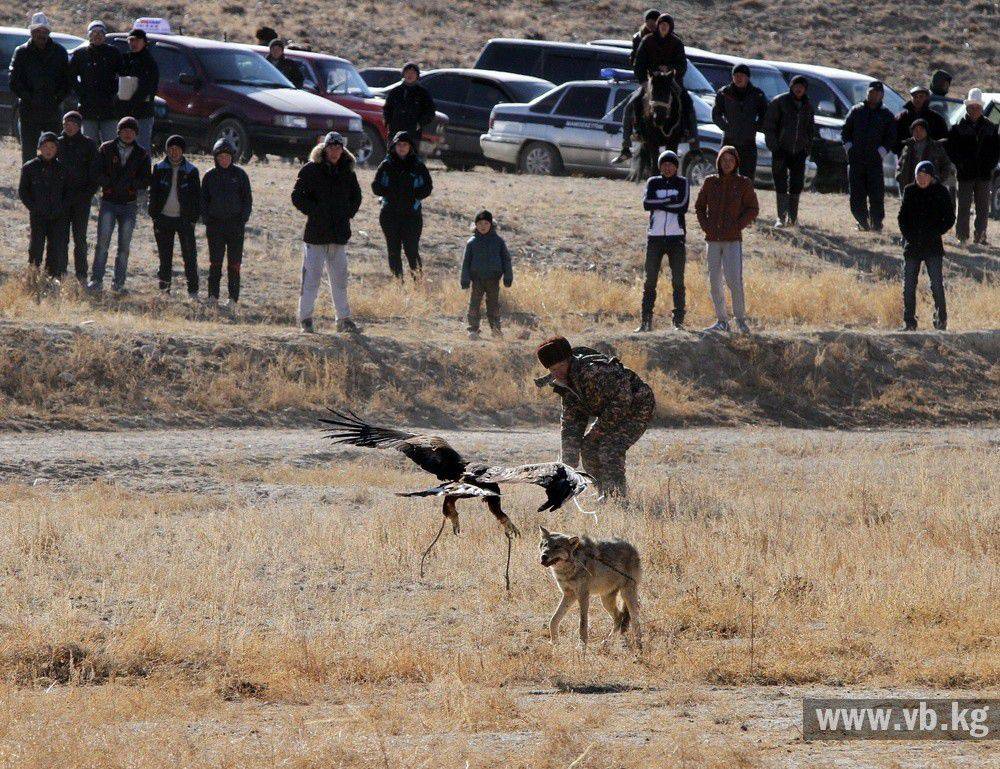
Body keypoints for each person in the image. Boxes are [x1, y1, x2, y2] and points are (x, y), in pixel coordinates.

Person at [535, 337, 656, 500]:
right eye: (552, 370)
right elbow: (572, 423)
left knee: (610, 447)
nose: (558, 373)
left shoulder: (594, 371)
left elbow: (622, 401)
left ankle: (616, 497)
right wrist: (568, 463)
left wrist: (597, 432)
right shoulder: (564, 383)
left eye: (561, 366)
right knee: (589, 448)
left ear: (570, 360)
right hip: (612, 411)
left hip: (637, 406)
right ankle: (604, 492)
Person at [291, 132, 363, 334]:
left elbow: (356, 197)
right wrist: (314, 211)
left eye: (338, 148)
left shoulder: (348, 172)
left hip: (339, 235)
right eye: (331, 148)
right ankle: (305, 319)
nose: (334, 152)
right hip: (316, 234)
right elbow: (297, 196)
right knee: (311, 279)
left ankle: (344, 319)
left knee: (340, 280)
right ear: (324, 149)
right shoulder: (311, 170)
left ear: (343, 150)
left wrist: (346, 213)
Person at [694, 146, 759, 333]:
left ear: (736, 163)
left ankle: (740, 319)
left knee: (733, 279)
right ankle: (722, 320)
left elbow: (753, 208)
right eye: (724, 160)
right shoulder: (710, 182)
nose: (727, 164)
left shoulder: (743, 183)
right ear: (718, 162)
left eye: (731, 160)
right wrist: (706, 226)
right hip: (712, 240)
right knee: (714, 280)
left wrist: (737, 225)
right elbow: (699, 207)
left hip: (732, 240)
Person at [615, 13, 689, 164]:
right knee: (631, 105)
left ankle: (689, 135)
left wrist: (670, 68)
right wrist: (644, 79)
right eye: (661, 24)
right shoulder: (647, 40)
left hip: (670, 80)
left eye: (666, 25)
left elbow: (682, 64)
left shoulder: (677, 42)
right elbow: (639, 62)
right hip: (651, 80)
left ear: (670, 27)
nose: (663, 27)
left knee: (687, 101)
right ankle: (628, 143)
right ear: (658, 25)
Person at [89, 116, 151, 293]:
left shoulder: (142, 154)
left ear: (136, 133)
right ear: (118, 131)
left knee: (124, 247)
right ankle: (96, 280)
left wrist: (131, 185)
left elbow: (146, 179)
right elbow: (96, 172)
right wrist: (109, 183)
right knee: (102, 244)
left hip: (129, 204)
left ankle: (119, 283)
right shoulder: (106, 148)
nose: (128, 133)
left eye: (132, 131)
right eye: (125, 130)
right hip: (108, 202)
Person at [897, 161, 955, 331]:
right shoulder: (909, 191)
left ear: (932, 177)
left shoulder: (940, 192)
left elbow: (950, 218)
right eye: (919, 176)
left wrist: (937, 232)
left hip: (933, 246)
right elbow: (902, 218)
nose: (922, 180)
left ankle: (940, 321)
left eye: (925, 176)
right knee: (908, 285)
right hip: (913, 245)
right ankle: (909, 322)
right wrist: (909, 237)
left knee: (936, 284)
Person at [637, 150, 689, 332]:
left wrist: (658, 202)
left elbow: (682, 206)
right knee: (650, 280)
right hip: (655, 238)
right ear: (660, 167)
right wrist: (668, 200)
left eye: (671, 165)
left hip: (676, 239)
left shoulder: (682, 182)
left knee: (678, 281)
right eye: (664, 165)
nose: (668, 168)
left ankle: (679, 321)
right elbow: (646, 204)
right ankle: (645, 321)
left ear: (676, 166)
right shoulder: (653, 182)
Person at [9, 13, 70, 163]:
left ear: (49, 33)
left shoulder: (60, 52)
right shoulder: (21, 52)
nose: (41, 35)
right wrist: (29, 98)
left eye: (44, 31)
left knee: (55, 150)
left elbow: (67, 81)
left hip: (53, 109)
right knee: (29, 153)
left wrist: (57, 98)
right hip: (29, 110)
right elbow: (14, 80)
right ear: (31, 32)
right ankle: (28, 184)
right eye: (37, 31)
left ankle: (55, 183)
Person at [371, 132, 433, 280]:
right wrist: (389, 193)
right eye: (399, 144)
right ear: (394, 146)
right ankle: (398, 284)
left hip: (412, 215)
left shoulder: (418, 165)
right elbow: (375, 186)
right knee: (393, 251)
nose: (402, 147)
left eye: (405, 144)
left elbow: (428, 187)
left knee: (411, 250)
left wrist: (413, 195)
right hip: (389, 215)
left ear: (410, 147)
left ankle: (418, 283)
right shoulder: (386, 164)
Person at [201, 139, 253, 309]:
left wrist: (242, 219)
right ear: (216, 157)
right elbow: (203, 200)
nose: (224, 159)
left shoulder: (240, 175)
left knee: (234, 264)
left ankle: (233, 299)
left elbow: (247, 200)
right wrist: (207, 219)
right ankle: (213, 296)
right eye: (221, 156)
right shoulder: (209, 176)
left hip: (235, 227)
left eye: (227, 156)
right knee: (215, 263)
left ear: (232, 157)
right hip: (215, 226)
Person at [149, 135, 201, 298]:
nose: (174, 152)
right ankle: (164, 290)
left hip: (184, 220)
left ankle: (192, 291)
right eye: (170, 149)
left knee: (190, 257)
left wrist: (193, 219)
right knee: (165, 257)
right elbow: (154, 193)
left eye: (177, 149)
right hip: (163, 219)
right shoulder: (159, 168)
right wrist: (154, 215)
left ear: (182, 151)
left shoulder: (191, 171)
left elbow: (196, 197)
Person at [946, 88, 1000, 246]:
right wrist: (960, 164)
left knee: (983, 208)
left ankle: (981, 237)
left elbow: (996, 151)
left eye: (977, 107)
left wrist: (989, 166)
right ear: (968, 107)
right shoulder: (957, 128)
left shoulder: (991, 127)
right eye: (972, 107)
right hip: (964, 174)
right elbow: (951, 150)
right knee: (963, 206)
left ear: (982, 108)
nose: (975, 109)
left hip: (983, 174)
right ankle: (962, 236)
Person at [841, 80, 895, 232]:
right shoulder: (856, 111)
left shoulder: (886, 115)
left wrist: (881, 152)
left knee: (876, 194)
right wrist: (849, 148)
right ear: (867, 93)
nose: (874, 95)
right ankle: (862, 221)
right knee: (857, 193)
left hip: (874, 162)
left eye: (877, 93)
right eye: (871, 92)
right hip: (856, 160)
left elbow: (891, 137)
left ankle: (876, 223)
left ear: (882, 95)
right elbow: (845, 132)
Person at [762, 75, 814, 228]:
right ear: (791, 87)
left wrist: (807, 148)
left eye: (802, 87)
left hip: (799, 151)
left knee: (797, 184)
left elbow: (810, 129)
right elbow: (769, 126)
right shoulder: (779, 102)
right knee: (780, 183)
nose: (799, 89)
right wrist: (774, 147)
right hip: (781, 150)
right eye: (796, 86)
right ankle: (781, 217)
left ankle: (793, 218)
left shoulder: (808, 105)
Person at [18, 131, 69, 279]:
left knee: (55, 248)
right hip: (38, 215)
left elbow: (68, 193)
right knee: (36, 247)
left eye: (52, 147)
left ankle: (51, 278)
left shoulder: (62, 169)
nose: (49, 150)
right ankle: (33, 277)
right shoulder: (29, 167)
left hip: (57, 216)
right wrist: (34, 208)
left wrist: (61, 208)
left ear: (57, 149)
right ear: (39, 148)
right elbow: (23, 192)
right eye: (45, 146)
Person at [57, 111, 99, 284]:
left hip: (82, 199)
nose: (69, 126)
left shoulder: (89, 145)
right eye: (66, 123)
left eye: (73, 123)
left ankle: (81, 274)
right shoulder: (57, 143)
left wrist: (87, 194)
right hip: (61, 198)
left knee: (80, 238)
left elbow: (95, 174)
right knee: (61, 237)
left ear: (79, 125)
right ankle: (59, 272)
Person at [460, 210, 513, 339]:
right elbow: (466, 262)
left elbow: (506, 259)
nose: (483, 226)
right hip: (477, 279)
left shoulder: (498, 242)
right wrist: (465, 278)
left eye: (486, 223)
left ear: (491, 224)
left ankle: (496, 330)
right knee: (474, 304)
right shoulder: (472, 242)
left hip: (493, 280)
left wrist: (508, 276)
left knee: (493, 305)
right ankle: (473, 329)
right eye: (479, 223)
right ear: (475, 225)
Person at [69, 20, 123, 144]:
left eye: (100, 33)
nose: (97, 36)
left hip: (109, 108)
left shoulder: (113, 53)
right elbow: (70, 77)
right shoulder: (80, 54)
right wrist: (81, 93)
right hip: (88, 108)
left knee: (111, 145)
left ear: (105, 35)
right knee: (89, 144)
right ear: (89, 35)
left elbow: (123, 75)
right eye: (94, 33)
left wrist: (116, 95)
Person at [711, 63, 767, 179]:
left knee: (747, 178)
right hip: (729, 141)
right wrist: (725, 126)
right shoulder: (724, 93)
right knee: (725, 175)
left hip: (748, 142)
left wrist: (756, 126)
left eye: (741, 75)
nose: (738, 78)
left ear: (747, 77)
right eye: (736, 75)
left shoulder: (757, 94)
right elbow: (716, 114)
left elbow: (765, 115)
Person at [118, 28, 159, 153]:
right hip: (124, 111)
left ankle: (144, 172)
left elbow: (148, 87)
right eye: (131, 40)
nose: (133, 43)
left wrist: (133, 103)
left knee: (141, 147)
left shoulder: (149, 62)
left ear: (144, 42)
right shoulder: (125, 59)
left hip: (142, 112)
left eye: (137, 40)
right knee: (123, 147)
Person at [381, 63, 436, 148]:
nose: (410, 75)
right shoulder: (395, 91)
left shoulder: (422, 93)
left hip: (413, 134)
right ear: (403, 74)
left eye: (413, 73)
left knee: (410, 158)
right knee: (393, 158)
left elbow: (430, 112)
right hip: (395, 132)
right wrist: (388, 122)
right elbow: (387, 109)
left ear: (417, 75)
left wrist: (419, 123)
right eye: (407, 72)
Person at [896, 118, 954, 191]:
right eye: (915, 130)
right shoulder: (907, 147)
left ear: (926, 131)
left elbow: (946, 164)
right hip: (910, 186)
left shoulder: (936, 147)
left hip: (931, 187)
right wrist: (899, 176)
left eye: (921, 130)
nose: (918, 132)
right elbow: (899, 164)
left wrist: (938, 179)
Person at [893, 85, 947, 155]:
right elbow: (892, 139)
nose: (918, 99)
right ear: (911, 98)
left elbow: (944, 139)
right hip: (905, 158)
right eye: (915, 96)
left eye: (921, 96)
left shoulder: (936, 119)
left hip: (930, 159)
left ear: (926, 98)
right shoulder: (901, 118)